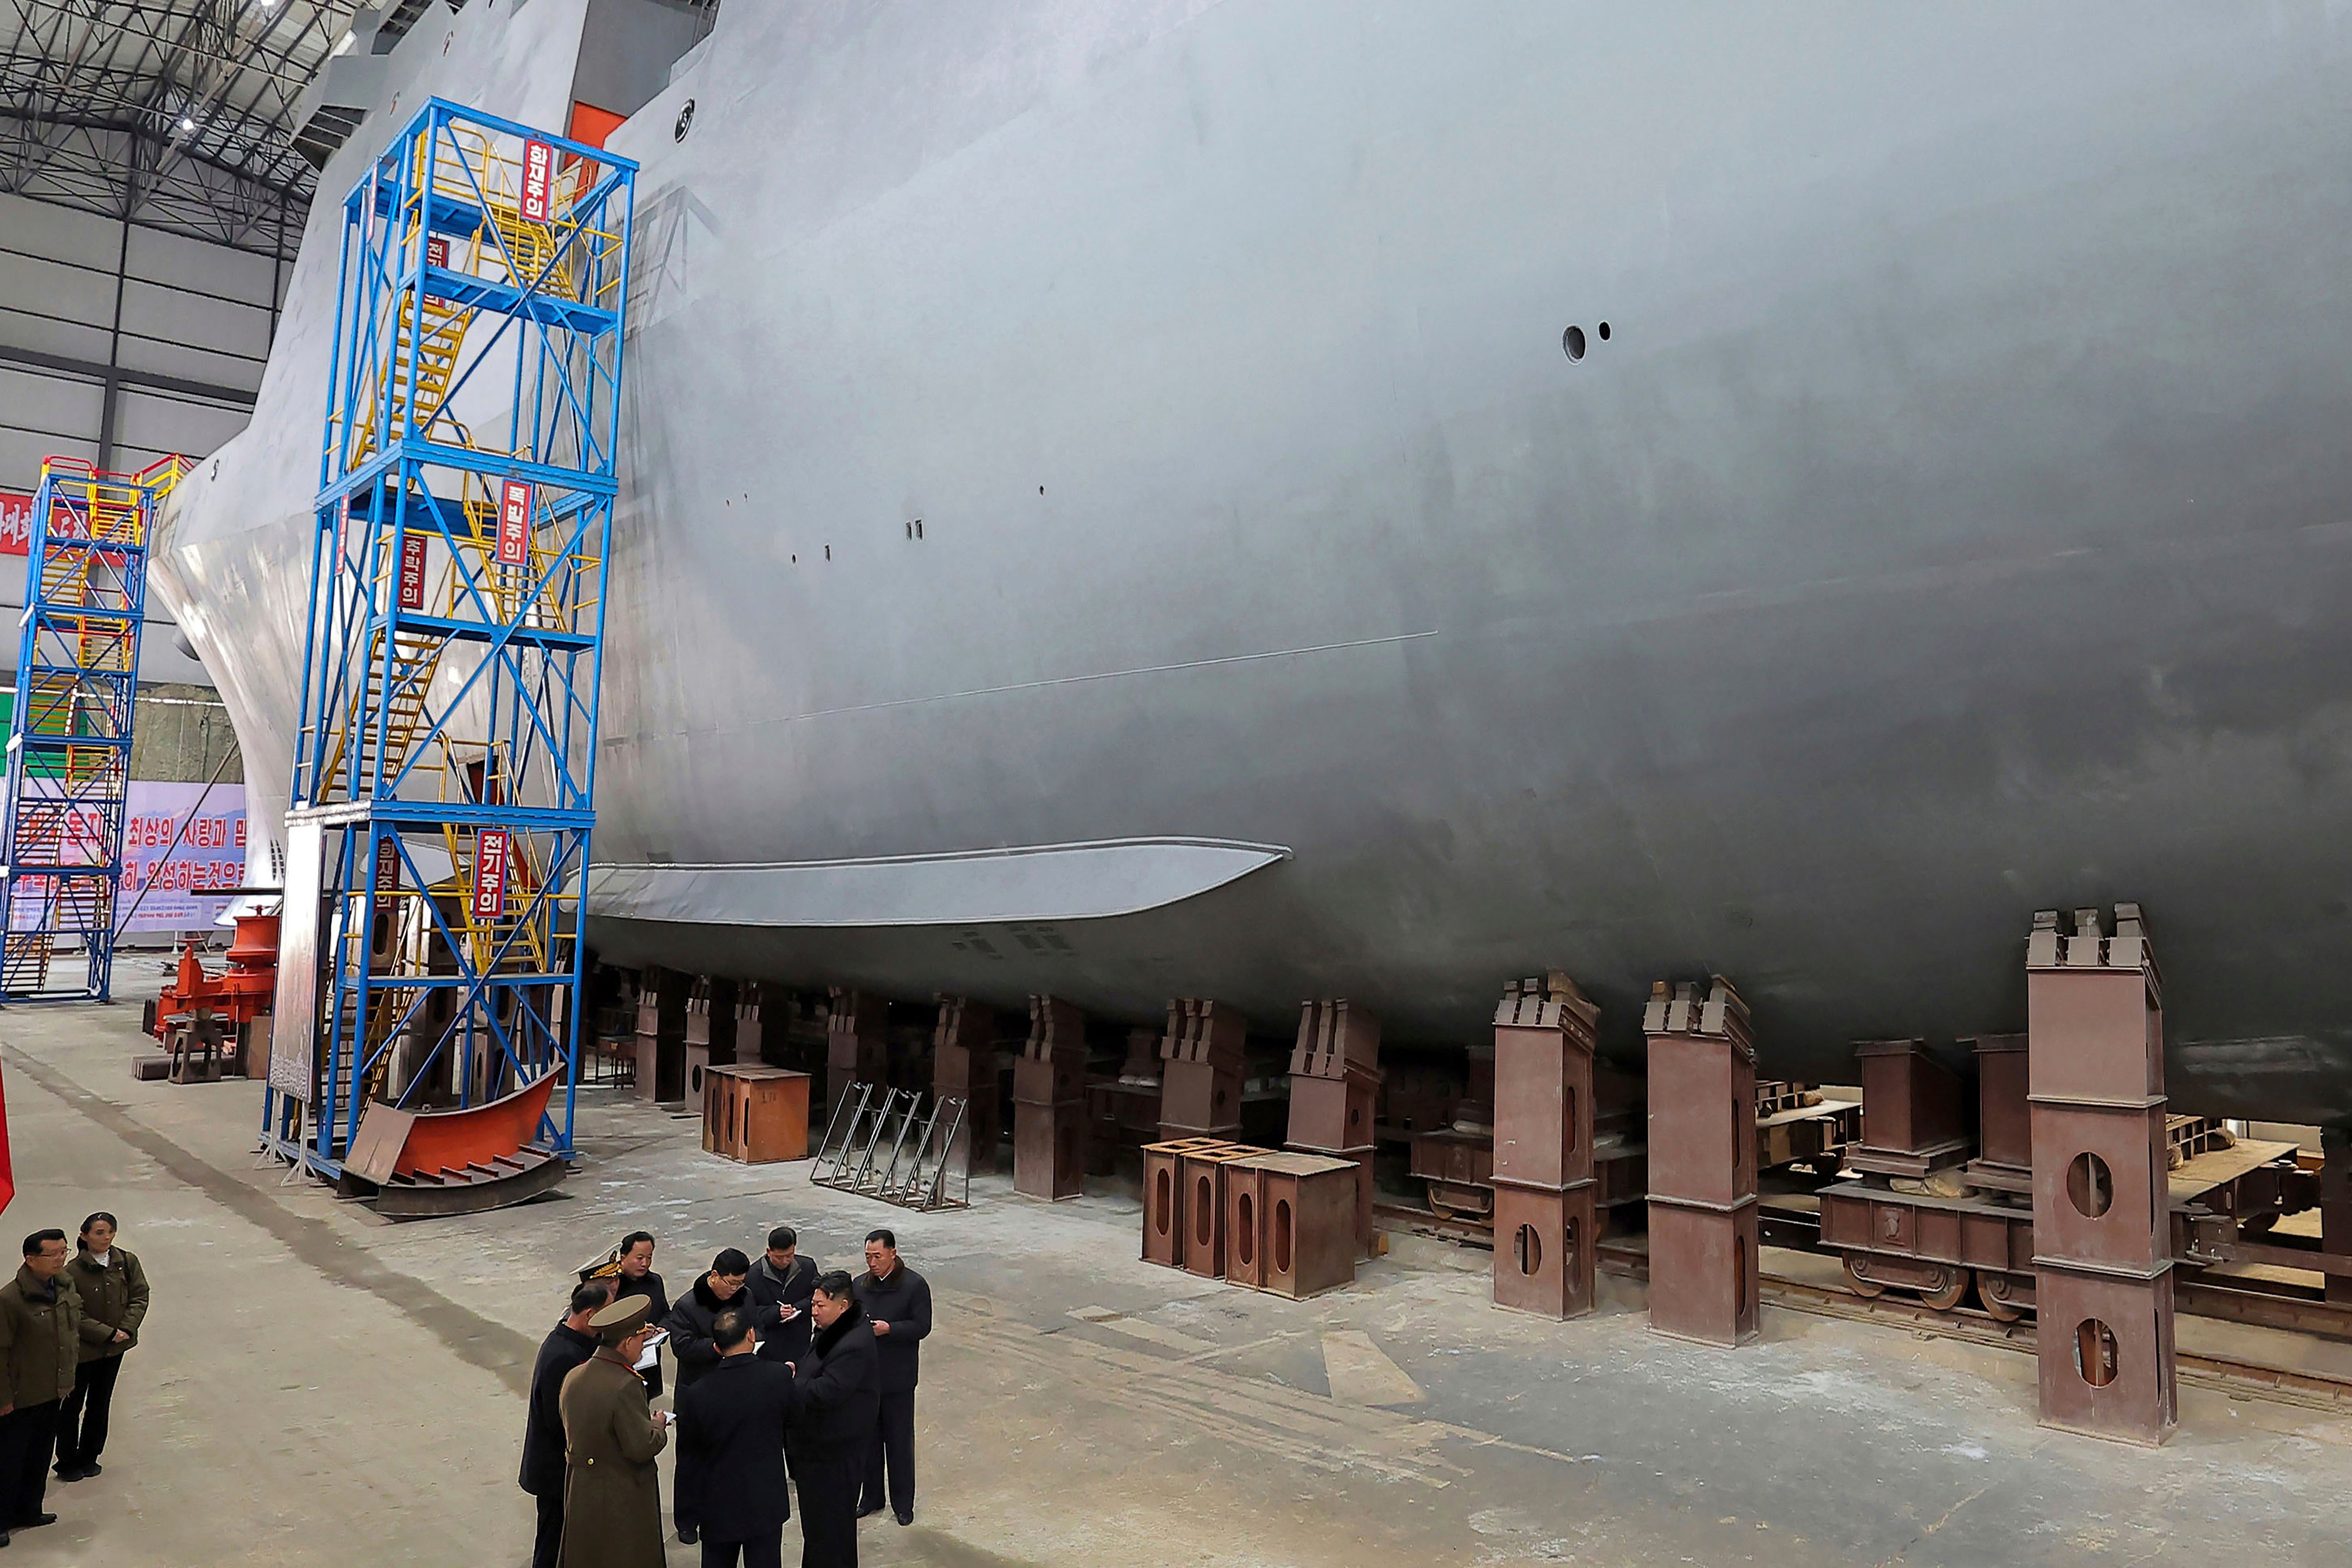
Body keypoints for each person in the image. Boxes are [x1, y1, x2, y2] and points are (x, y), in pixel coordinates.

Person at [664, 1250, 778, 1544]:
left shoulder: (745, 1296)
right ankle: (688, 1520)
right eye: (732, 1283)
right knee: (692, 1460)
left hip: (739, 1386)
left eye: (741, 1283)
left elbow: (757, 1326)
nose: (736, 1289)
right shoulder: (688, 1306)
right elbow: (683, 1347)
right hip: (699, 1390)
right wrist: (719, 1347)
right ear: (714, 1276)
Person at [675, 1308, 797, 1568]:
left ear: (717, 1347)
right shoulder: (779, 1377)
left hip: (717, 1507)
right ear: (751, 1335)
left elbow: (688, 1458)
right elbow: (795, 1421)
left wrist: (689, 1515)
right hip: (765, 1501)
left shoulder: (698, 1394)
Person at [558, 1293, 671, 1568]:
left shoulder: (575, 1375)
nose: (643, 1349)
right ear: (628, 1342)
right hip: (620, 1493)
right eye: (642, 1342)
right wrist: (658, 1425)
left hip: (582, 1490)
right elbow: (641, 1446)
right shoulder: (625, 1385)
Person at [788, 1272, 878, 1568]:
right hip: (818, 1447)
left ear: (842, 1306)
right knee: (819, 1530)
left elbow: (828, 1391)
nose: (813, 1311)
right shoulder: (833, 1329)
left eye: (819, 1305)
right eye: (813, 1304)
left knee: (830, 1529)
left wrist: (790, 1384)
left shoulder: (853, 1343)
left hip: (834, 1453)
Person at [523, 1279, 611, 1568]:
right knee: (553, 1542)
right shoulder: (564, 1357)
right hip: (556, 1471)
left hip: (563, 1466)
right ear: (589, 1314)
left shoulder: (571, 1342)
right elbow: (559, 1418)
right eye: (605, 1316)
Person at [0, 1230, 81, 1544]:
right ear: (31, 1259)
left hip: (51, 1391)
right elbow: (1, 1352)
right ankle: (2, 1518)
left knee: (39, 1455)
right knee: (9, 1460)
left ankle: (30, 1510)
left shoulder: (64, 1288)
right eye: (54, 1254)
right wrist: (4, 1397)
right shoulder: (10, 1300)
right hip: (20, 1397)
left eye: (64, 1251)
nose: (62, 1258)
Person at [54, 1212, 147, 1483]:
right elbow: (73, 1314)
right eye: (98, 1233)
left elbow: (139, 1296)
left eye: (109, 1232)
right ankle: (67, 1460)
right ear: (84, 1236)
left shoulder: (126, 1262)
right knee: (71, 1406)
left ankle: (90, 1455)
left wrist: (126, 1329)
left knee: (100, 1403)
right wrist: (107, 1334)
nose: (105, 1238)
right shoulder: (69, 1273)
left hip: (114, 1349)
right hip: (84, 1352)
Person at [851, 1229, 930, 1527]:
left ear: (893, 1254)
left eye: (878, 1257)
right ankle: (871, 1497)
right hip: (867, 1378)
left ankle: (903, 1503)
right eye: (868, 1257)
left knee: (898, 1443)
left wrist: (891, 1329)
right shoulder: (860, 1286)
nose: (872, 1263)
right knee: (868, 1443)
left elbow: (922, 1326)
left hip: (898, 1378)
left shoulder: (914, 1285)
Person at [604, 1234, 669, 1400]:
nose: (645, 1264)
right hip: (622, 1364)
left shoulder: (655, 1281)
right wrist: (639, 1332)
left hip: (650, 1360)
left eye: (649, 1258)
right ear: (623, 1257)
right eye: (639, 1258)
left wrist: (662, 1328)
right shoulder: (612, 1287)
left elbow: (666, 1313)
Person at [748, 1228, 818, 1367]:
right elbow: (748, 1313)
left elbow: (819, 1297)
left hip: (801, 1343)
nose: (785, 1261)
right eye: (779, 1257)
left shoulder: (807, 1267)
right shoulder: (752, 1275)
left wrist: (798, 1309)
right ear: (769, 1252)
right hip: (768, 1348)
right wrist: (776, 1313)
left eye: (790, 1255)